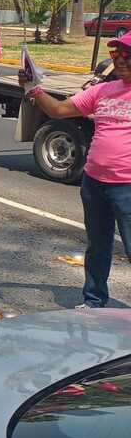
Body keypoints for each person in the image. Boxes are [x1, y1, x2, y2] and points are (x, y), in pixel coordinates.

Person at [21, 31, 131, 309]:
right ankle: (94, 302)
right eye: (116, 54)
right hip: (94, 182)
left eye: (127, 56)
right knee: (97, 246)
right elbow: (59, 110)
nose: (120, 60)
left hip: (127, 187)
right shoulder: (103, 90)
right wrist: (34, 89)